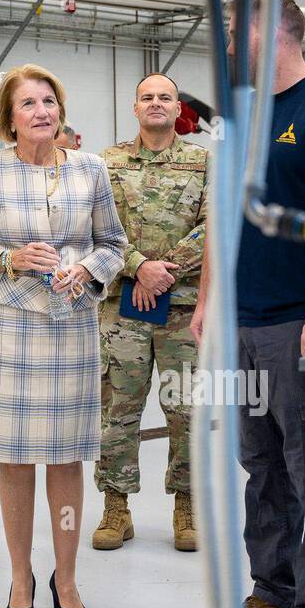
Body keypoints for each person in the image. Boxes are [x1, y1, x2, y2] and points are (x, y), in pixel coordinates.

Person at [192, 0, 305, 608]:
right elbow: (221, 215)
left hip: (301, 323)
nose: (227, 48)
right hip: (242, 322)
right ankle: (273, 588)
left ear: (267, 32)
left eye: (233, 34)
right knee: (258, 462)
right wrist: (206, 302)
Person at [0, 64, 126, 608]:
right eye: (28, 104)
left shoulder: (90, 170)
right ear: (10, 118)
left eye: (49, 100)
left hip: (70, 325)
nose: (41, 111)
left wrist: (89, 270)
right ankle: (21, 576)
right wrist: (8, 258)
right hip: (8, 328)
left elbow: (114, 244)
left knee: (67, 458)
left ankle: (66, 577)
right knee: (16, 458)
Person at [94, 73, 208, 552]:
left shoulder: (204, 163)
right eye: (147, 97)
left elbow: (214, 226)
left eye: (164, 97)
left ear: (177, 107)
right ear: (134, 107)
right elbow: (97, 227)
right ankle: (116, 507)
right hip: (124, 306)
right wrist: (140, 268)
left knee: (186, 410)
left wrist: (166, 272)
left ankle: (187, 505)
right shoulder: (106, 163)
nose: (155, 103)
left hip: (183, 309)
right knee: (119, 409)